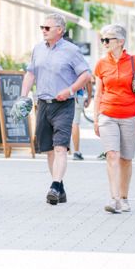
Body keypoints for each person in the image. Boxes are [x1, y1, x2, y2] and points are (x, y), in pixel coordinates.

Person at [19, 13, 93, 205]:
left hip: (63, 106)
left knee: (60, 147)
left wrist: (70, 90)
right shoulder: (37, 49)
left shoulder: (71, 50)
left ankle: (54, 185)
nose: (43, 31)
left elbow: (85, 75)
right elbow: (30, 74)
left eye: (47, 28)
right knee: (49, 150)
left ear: (59, 30)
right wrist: (22, 96)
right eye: (41, 28)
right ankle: (59, 187)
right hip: (43, 104)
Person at [93, 24, 135, 214]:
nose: (104, 43)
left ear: (120, 41)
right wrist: (95, 118)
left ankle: (124, 198)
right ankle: (114, 198)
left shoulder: (134, 61)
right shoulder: (101, 63)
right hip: (107, 114)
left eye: (107, 39)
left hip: (130, 115)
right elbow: (98, 94)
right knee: (112, 155)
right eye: (103, 39)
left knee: (126, 158)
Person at [70, 85, 89, 160]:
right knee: (75, 123)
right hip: (77, 95)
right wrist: (89, 97)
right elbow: (88, 81)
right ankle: (76, 152)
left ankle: (59, 149)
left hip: (63, 95)